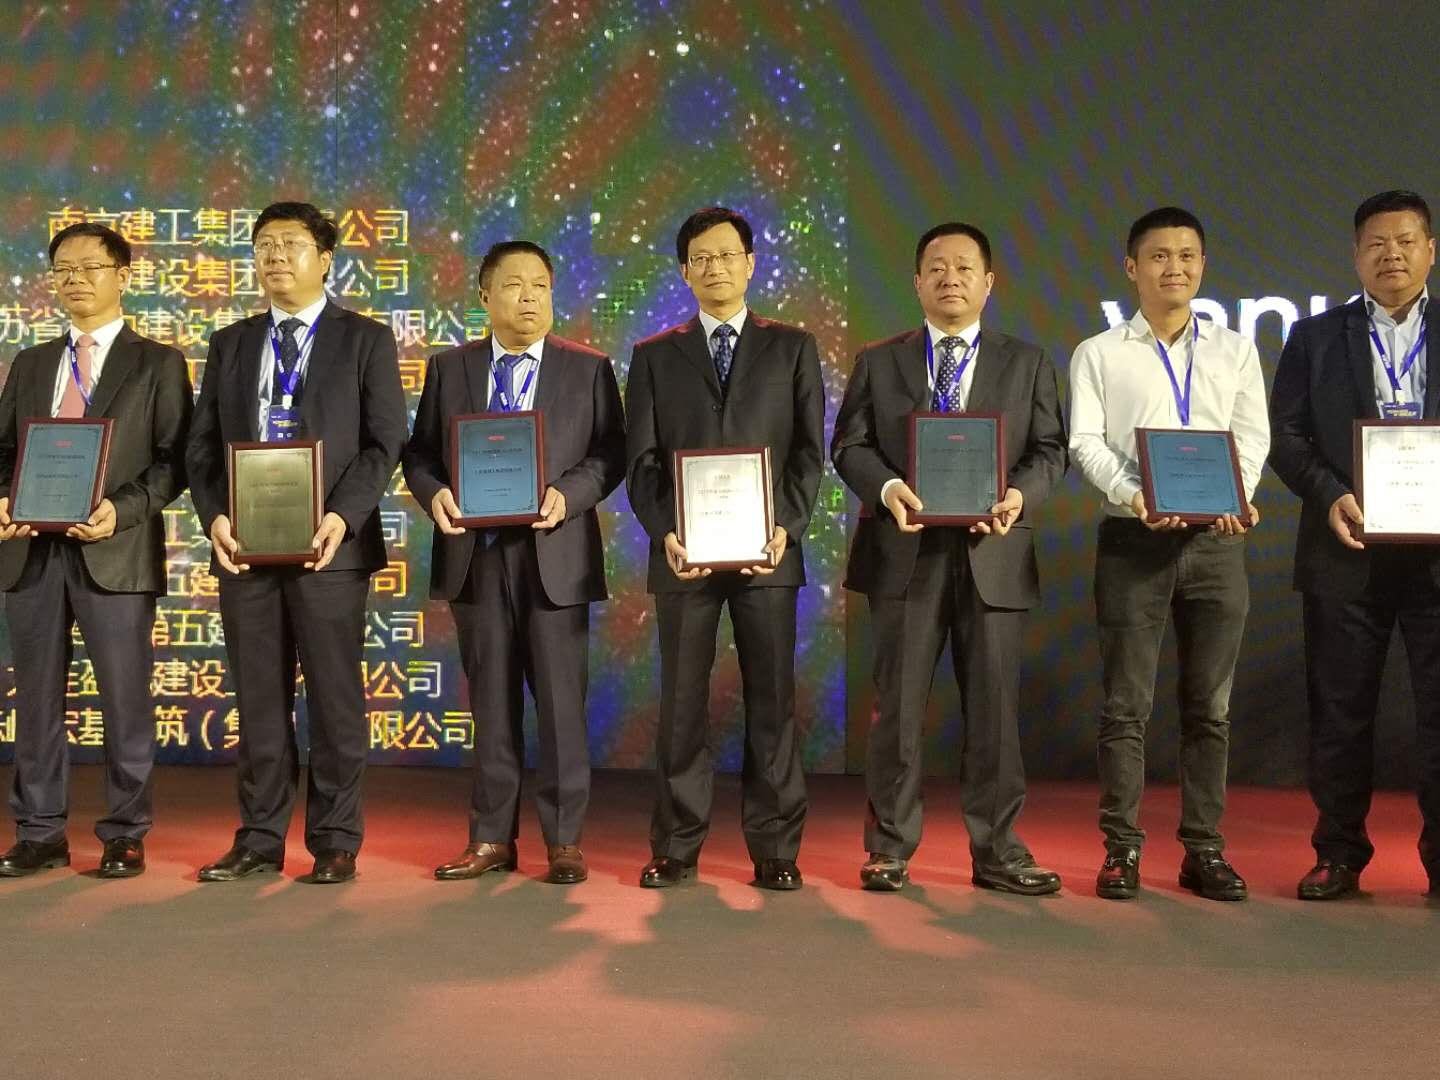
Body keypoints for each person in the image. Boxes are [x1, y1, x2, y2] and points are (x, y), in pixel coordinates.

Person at [831, 221, 1067, 893]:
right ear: (916, 282)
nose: (950, 279)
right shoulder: (880, 361)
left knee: (994, 710)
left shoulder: (1027, 362)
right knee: (898, 708)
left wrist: (1019, 496)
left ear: (989, 283)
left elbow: (1050, 449)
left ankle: (998, 850)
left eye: (965, 268)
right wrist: (888, 489)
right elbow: (849, 444)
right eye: (936, 268)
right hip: (904, 551)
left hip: (994, 551)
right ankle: (888, 847)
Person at [185, 201, 407, 884]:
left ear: (326, 259)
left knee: (336, 698)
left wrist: (342, 515)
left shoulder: (365, 339)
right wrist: (215, 518)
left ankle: (336, 839)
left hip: (330, 547)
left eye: (290, 244)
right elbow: (201, 447)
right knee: (258, 700)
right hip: (245, 547)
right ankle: (259, 837)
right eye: (264, 245)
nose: (275, 256)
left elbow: (384, 441)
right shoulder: (230, 342)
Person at [402, 240, 625, 886]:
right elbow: (419, 454)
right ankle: (491, 837)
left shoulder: (587, 369)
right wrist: (435, 495)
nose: (529, 298)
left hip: (555, 556)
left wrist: (568, 496)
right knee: (491, 704)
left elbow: (611, 453)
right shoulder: (450, 368)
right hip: (476, 558)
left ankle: (564, 839)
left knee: (560, 706)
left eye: (540, 287)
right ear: (484, 296)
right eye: (513, 286)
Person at [1069, 206, 1269, 901]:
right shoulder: (1099, 352)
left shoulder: (1234, 350)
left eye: (1187, 256)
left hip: (1216, 542)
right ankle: (1121, 849)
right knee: (1126, 705)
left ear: (1203, 266)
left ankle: (1203, 850)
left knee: (1209, 706)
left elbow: (1252, 436)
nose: (1174, 268)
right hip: (1134, 539)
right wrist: (1134, 495)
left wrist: (1237, 495)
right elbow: (1084, 442)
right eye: (1158, 256)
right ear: (1132, 268)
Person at [625, 206, 824, 890]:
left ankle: (776, 849)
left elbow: (809, 454)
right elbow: (642, 461)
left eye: (727, 255)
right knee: (682, 705)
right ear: (684, 272)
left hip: (769, 553)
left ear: (751, 263)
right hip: (684, 556)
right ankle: (676, 845)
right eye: (701, 258)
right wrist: (666, 532)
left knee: (772, 703)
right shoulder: (655, 355)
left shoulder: (793, 348)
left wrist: (786, 527)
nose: (715, 267)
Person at [0, 221, 192, 878]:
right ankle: (39, 831)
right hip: (31, 553)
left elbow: (174, 460)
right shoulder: (31, 363)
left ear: (123, 276)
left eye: (90, 267)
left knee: (124, 698)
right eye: (63, 269)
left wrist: (122, 512)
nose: (75, 279)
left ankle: (125, 832)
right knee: (36, 701)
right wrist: (4, 499)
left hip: (116, 552)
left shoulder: (158, 362)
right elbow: (3, 452)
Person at [1270, 189, 1440, 901]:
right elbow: (1286, 436)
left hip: (1436, 561)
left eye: (1405, 241)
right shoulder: (1313, 337)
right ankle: (1338, 853)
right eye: (1376, 243)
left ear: (1431, 250)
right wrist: (1330, 494)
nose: (1391, 254)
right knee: (1340, 714)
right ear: (1355, 255)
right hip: (1346, 548)